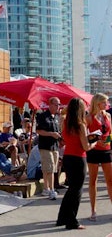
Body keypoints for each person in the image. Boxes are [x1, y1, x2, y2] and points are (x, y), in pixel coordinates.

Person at [56, 98, 97, 230]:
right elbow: (85, 146)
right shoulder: (81, 125)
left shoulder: (65, 122)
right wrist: (94, 142)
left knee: (71, 189)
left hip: (68, 156)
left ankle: (62, 217)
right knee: (77, 191)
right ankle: (72, 220)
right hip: (79, 158)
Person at [85, 92, 112, 222]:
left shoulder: (108, 116)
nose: (107, 104)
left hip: (107, 150)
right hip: (94, 151)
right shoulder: (89, 117)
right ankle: (93, 210)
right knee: (93, 180)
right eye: (104, 102)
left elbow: (111, 133)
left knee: (110, 181)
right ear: (97, 103)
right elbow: (84, 136)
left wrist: (108, 141)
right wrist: (95, 141)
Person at [36, 97, 61, 200]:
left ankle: (46, 188)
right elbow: (39, 131)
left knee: (51, 168)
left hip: (55, 146)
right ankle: (51, 189)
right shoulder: (42, 116)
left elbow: (58, 131)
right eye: (56, 104)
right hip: (45, 146)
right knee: (49, 167)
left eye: (59, 104)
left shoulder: (56, 117)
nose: (58, 107)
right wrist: (51, 134)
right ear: (50, 105)